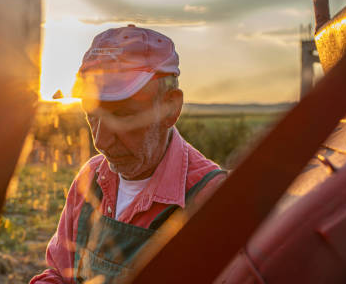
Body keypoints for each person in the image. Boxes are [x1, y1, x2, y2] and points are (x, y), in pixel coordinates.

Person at [30, 25, 225, 284]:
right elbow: (59, 274)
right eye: (91, 116)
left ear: (170, 108)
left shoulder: (213, 202)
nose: (100, 141)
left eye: (122, 116)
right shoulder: (90, 180)